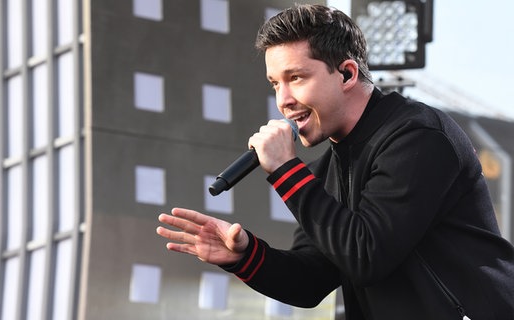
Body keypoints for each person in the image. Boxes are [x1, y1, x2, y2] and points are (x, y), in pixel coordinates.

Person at [156, 4, 514, 319]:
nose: (284, 100)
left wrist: (284, 170)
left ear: (346, 74)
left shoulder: (417, 136)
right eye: (275, 84)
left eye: (295, 78)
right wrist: (244, 256)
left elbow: (366, 255)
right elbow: (311, 282)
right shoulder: (327, 170)